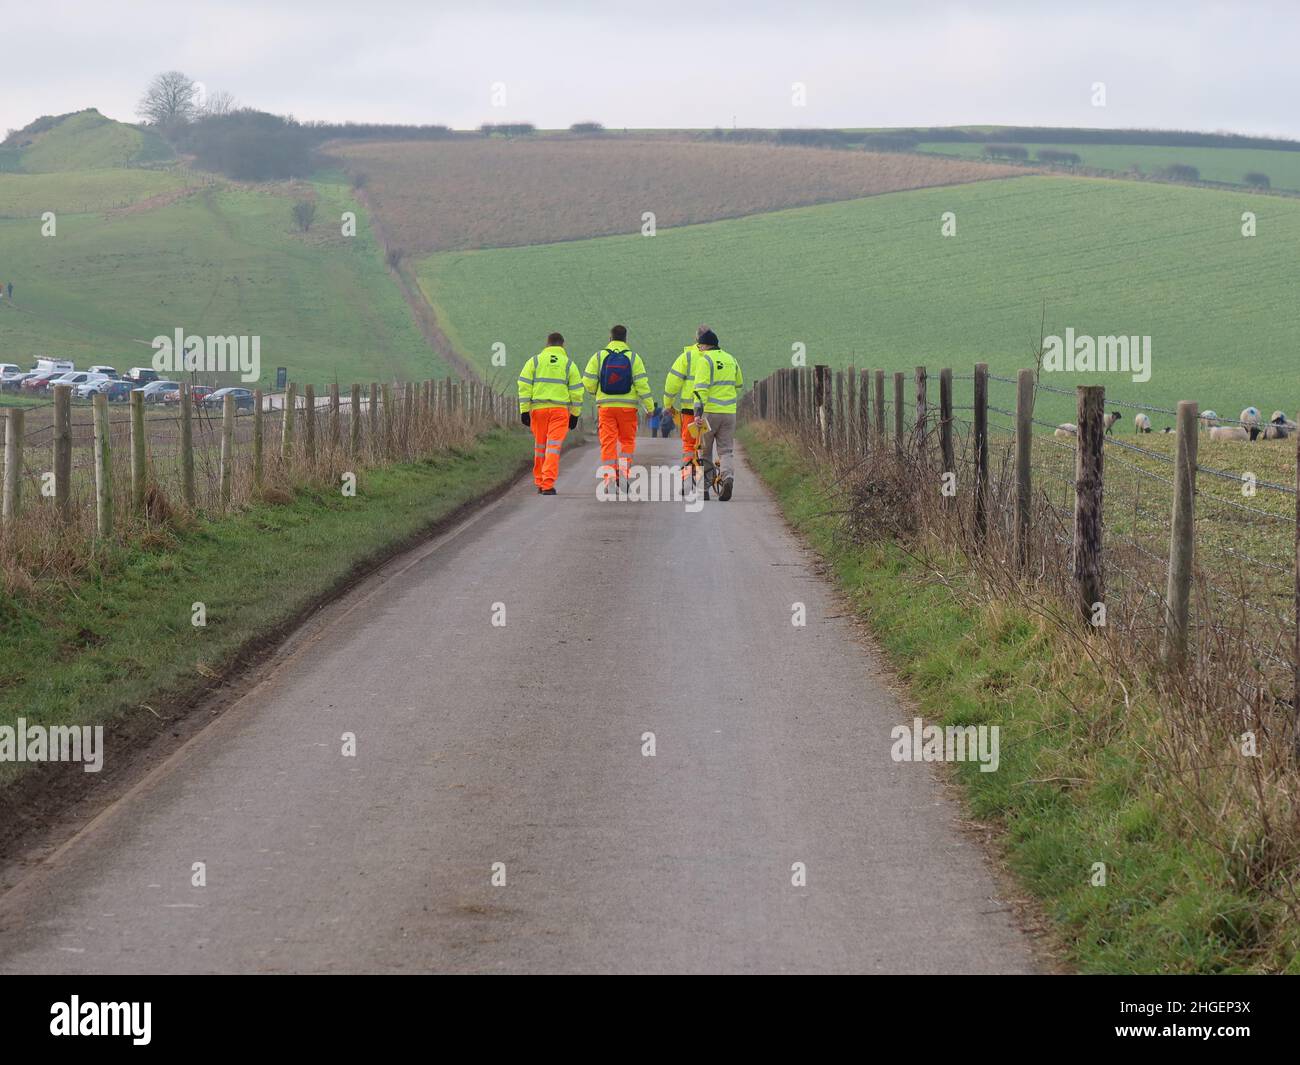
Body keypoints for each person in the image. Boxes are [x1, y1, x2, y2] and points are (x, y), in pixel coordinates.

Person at [583, 324, 654, 490]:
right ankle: (623, 477)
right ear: (625, 339)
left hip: (606, 408)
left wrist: (596, 392)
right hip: (628, 408)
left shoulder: (599, 357)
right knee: (627, 442)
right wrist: (650, 407)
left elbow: (587, 381)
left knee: (608, 443)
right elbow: (642, 384)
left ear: (610, 338)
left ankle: (609, 481)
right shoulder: (634, 358)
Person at [517, 332, 583, 494]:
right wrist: (575, 414)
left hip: (538, 411)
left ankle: (539, 481)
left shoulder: (535, 361)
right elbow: (576, 392)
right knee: (553, 447)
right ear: (562, 345)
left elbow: (524, 385)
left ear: (547, 344)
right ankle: (547, 484)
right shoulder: (569, 364)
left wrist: (524, 410)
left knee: (540, 447)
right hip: (559, 412)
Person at [692, 330, 743, 501]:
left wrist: (697, 413)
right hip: (729, 413)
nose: (699, 349)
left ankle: (705, 488)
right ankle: (727, 477)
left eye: (700, 346)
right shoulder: (731, 359)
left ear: (706, 345)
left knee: (705, 451)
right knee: (726, 451)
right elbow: (739, 383)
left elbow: (700, 389)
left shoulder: (705, 360)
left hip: (709, 413)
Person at [662, 325, 713, 481]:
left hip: (689, 411)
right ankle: (703, 479)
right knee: (705, 446)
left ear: (696, 339)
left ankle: (686, 477)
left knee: (688, 446)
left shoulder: (687, 357)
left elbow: (672, 383)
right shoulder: (719, 357)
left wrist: (668, 404)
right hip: (711, 410)